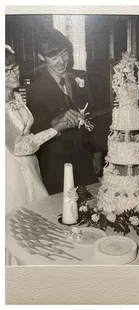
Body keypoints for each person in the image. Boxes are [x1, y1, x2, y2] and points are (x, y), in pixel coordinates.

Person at [26, 28, 100, 195]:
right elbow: (35, 132)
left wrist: (96, 154)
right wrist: (54, 121)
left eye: (64, 54)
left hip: (85, 159)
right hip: (55, 164)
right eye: (53, 57)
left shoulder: (82, 78)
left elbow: (92, 117)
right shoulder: (35, 89)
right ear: (41, 57)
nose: (61, 61)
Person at [5, 45, 73, 214]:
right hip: (10, 168)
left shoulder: (17, 96)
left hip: (29, 162)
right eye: (6, 71)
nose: (14, 74)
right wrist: (55, 129)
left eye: (15, 68)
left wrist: (56, 121)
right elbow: (18, 147)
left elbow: (28, 130)